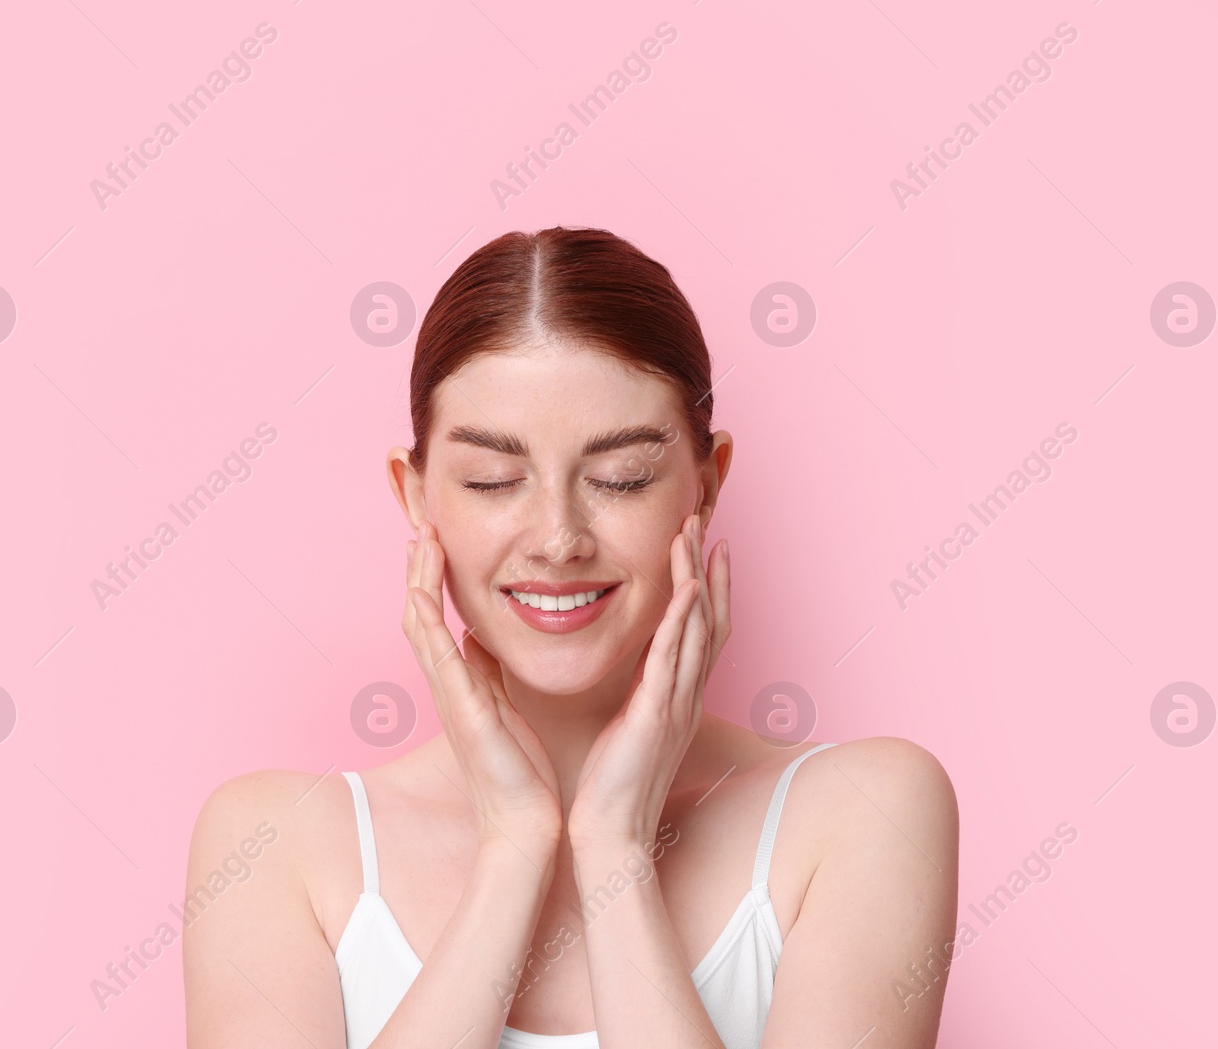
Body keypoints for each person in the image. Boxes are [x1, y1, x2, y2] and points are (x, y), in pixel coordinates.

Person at [183, 226, 959, 1048]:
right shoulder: (275, 845)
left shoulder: (866, 813)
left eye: (619, 478)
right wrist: (515, 845)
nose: (558, 539)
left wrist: (615, 848)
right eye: (493, 480)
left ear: (705, 485)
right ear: (416, 498)